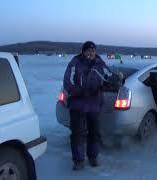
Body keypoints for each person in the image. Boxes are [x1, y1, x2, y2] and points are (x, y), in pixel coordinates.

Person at [63, 41, 123, 171]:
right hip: (77, 104)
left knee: (94, 133)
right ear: (83, 51)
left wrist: (114, 81)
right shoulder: (75, 62)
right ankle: (78, 160)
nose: (91, 53)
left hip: (94, 104)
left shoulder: (100, 63)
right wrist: (78, 91)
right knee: (77, 134)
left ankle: (93, 157)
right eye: (88, 51)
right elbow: (67, 82)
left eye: (93, 51)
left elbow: (107, 77)